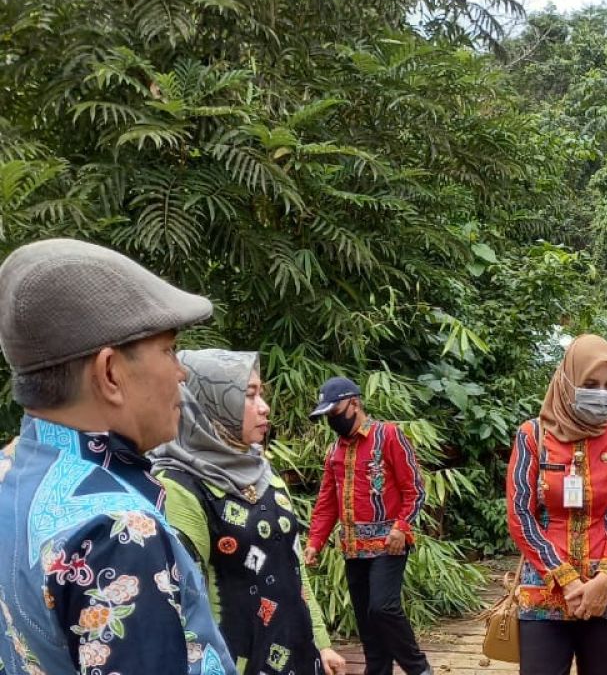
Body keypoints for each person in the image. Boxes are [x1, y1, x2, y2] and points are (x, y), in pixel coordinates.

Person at [0, 238, 236, 674]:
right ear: (110, 372)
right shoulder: (119, 532)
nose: (181, 371)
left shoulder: (9, 475)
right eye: (167, 350)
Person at [151, 350, 346, 675]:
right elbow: (182, 605)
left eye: (261, 394)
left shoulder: (262, 471)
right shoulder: (180, 488)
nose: (264, 407)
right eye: (249, 395)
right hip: (236, 662)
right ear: (209, 403)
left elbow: (291, 563)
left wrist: (321, 642)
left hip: (299, 656)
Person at [505, 334, 607, 675]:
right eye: (591, 383)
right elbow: (521, 516)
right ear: (567, 382)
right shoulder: (533, 436)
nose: (602, 394)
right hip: (544, 590)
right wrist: (566, 580)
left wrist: (604, 581)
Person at [303, 376, 432, 675]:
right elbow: (327, 503)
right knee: (366, 620)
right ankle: (377, 670)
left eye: (334, 413)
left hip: (390, 541)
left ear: (355, 403)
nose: (331, 421)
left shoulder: (388, 436)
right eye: (327, 416)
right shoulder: (334, 451)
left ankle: (419, 668)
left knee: (382, 607)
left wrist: (402, 527)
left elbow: (415, 489)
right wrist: (314, 542)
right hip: (352, 547)